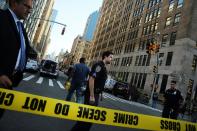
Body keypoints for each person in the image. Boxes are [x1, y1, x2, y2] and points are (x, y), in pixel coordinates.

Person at [0, 0, 34, 118]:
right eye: (27, 6)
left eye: (31, 8)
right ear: (14, 3)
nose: (30, 10)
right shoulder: (2, 17)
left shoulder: (21, 27)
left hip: (8, 83)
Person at [71, 51, 113, 131]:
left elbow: (99, 81)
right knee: (86, 120)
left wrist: (100, 93)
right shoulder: (99, 66)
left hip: (95, 94)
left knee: (87, 120)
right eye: (110, 57)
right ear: (105, 57)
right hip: (91, 95)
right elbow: (91, 79)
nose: (111, 59)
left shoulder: (103, 67)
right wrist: (92, 96)